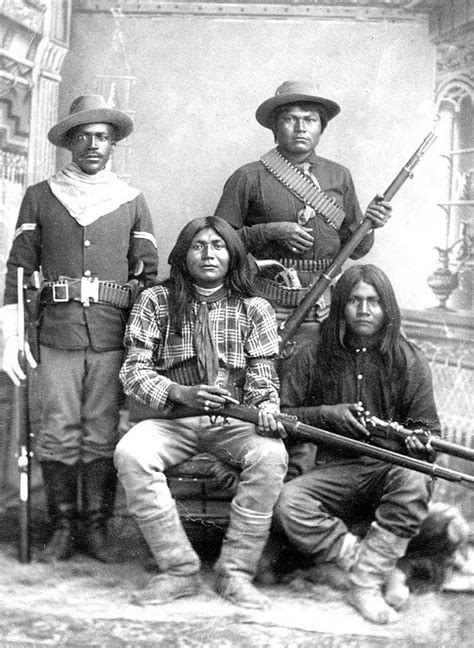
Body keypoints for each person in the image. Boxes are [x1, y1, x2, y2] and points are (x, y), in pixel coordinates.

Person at [1, 95, 158, 563]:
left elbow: (146, 277)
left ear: (113, 144)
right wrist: (11, 334)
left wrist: (142, 343)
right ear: (69, 142)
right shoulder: (41, 195)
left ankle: (96, 528)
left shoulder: (131, 201)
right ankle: (63, 526)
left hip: (112, 335)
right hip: (58, 333)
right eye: (84, 136)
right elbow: (17, 269)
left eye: (102, 136)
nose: (93, 144)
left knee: (102, 432)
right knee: (59, 431)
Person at [114, 216, 288, 609]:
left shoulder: (254, 308)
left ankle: (235, 573)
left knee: (271, 455)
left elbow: (263, 374)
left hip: (233, 422)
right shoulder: (156, 301)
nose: (208, 254)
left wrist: (266, 409)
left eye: (218, 246)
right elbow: (133, 370)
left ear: (232, 255)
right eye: (198, 245)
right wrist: (179, 392)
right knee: (131, 453)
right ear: (183, 254)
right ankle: (178, 570)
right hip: (170, 419)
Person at [274, 264, 440, 624]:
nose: (364, 310)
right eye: (354, 300)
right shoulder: (313, 355)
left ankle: (364, 584)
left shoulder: (409, 359)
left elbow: (429, 430)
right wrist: (325, 414)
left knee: (414, 480)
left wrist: (416, 442)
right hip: (334, 470)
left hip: (390, 469)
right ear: (341, 307)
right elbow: (283, 415)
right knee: (289, 503)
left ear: (387, 309)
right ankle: (379, 570)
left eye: (374, 302)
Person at [214, 80, 392, 340]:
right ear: (275, 127)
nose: (300, 128)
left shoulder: (339, 176)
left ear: (321, 128)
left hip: (327, 302)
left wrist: (370, 224)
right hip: (268, 303)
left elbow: (357, 250)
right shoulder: (248, 176)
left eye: (310, 120)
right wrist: (269, 232)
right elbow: (218, 244)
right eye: (289, 119)